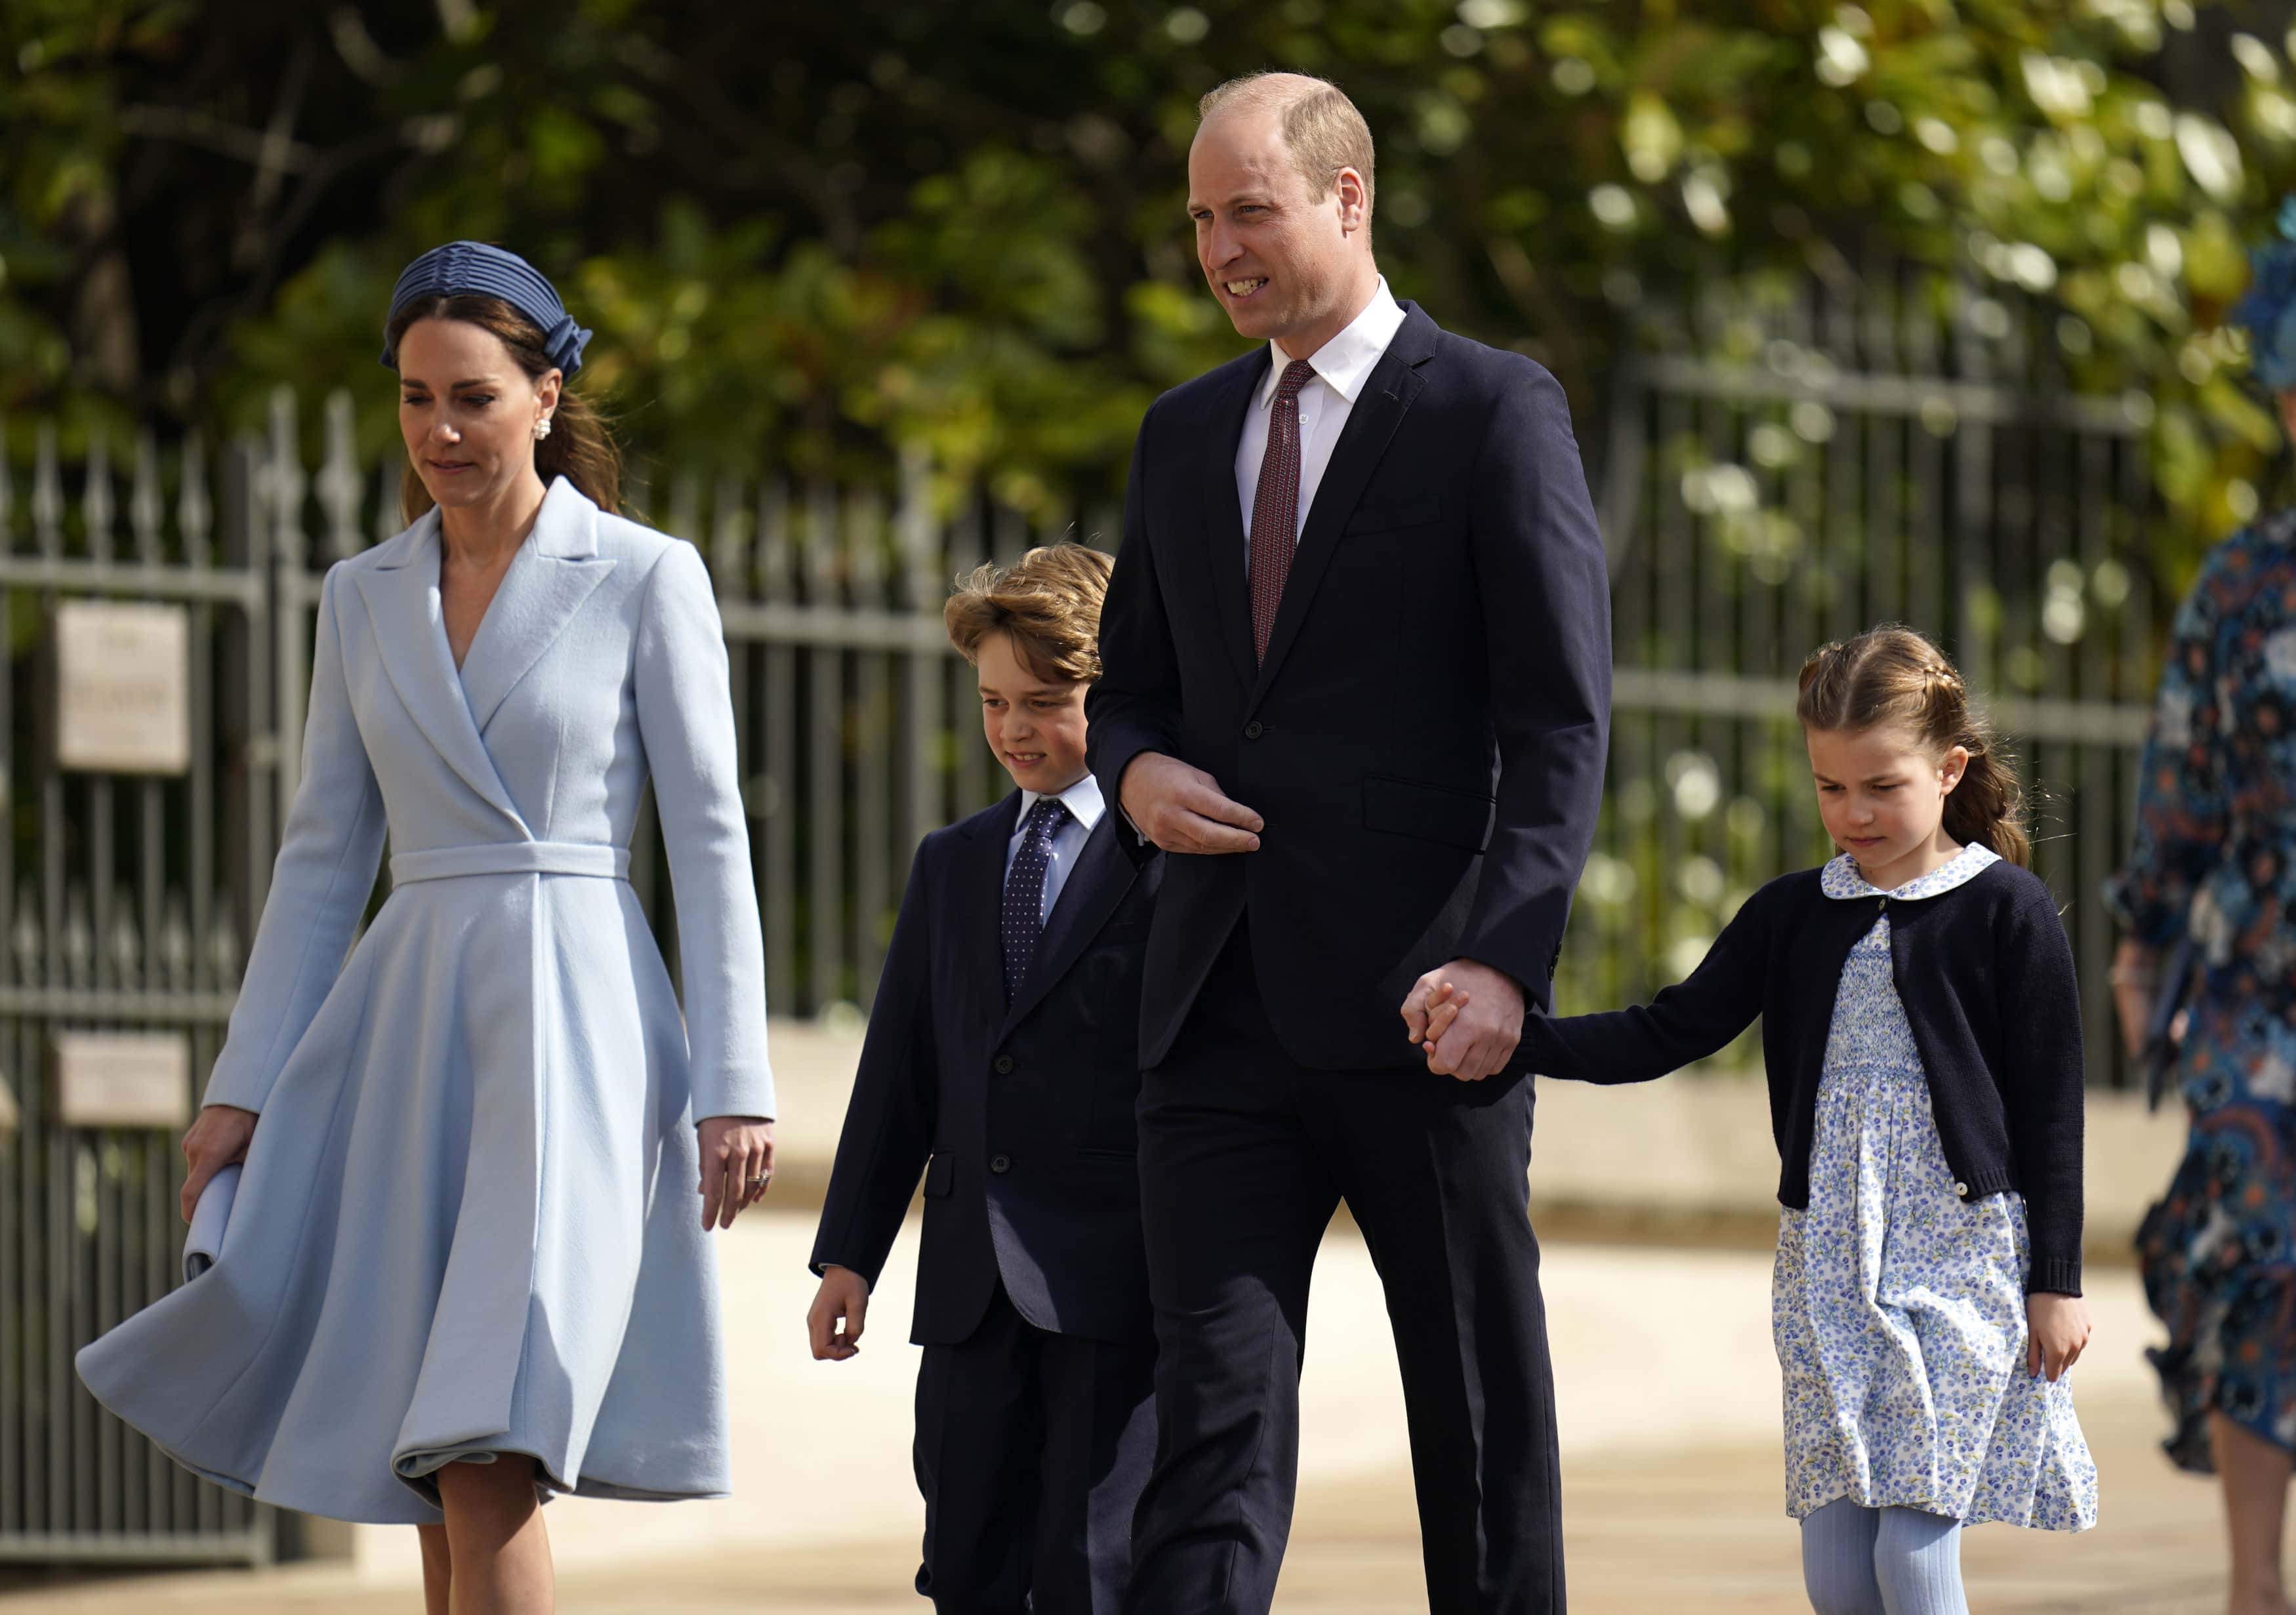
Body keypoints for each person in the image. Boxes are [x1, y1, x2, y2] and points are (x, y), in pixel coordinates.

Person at [76, 241, 774, 1615]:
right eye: (413, 399)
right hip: (401, 1033)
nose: (440, 431)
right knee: (431, 1450)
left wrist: (735, 1082)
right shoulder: (360, 594)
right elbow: (325, 860)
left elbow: (709, 838)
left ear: (547, 393)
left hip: (573, 1025)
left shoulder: (644, 575)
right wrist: (241, 1089)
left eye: (471, 396)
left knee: (485, 1435)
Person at [1087, 72, 1610, 1612]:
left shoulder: (1490, 407)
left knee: (1471, 1415)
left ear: (1346, 198)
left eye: (1248, 209)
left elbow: (1560, 723)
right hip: (1211, 1012)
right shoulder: (1183, 434)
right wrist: (1133, 777)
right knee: (1208, 1430)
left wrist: (1503, 961)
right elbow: (1130, 693)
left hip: (1422, 1011)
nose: (1219, 246)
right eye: (1200, 218)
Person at [1425, 626, 2097, 1614]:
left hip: (1959, 1263)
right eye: (1831, 788)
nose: (1854, 813)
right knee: (1836, 1579)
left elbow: (2053, 1108)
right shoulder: (1792, 912)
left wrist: (2057, 1283)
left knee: (1912, 1563)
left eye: (1882, 785)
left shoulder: (2010, 911)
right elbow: (1670, 1029)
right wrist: (1519, 1035)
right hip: (1826, 1267)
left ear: (1950, 769)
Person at [808, 543, 1161, 1615]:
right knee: (962, 1564)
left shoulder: (1166, 860)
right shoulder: (951, 863)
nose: (1014, 727)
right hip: (965, 1297)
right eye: (995, 701)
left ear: (1118, 693)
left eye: (1047, 702)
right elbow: (900, 1075)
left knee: (1089, 1571)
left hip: (1111, 1284)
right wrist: (848, 1256)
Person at [2108, 199, 2296, 1615]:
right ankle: (2251, 1589)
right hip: (2255, 983)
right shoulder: (2239, 586)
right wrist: (2140, 934)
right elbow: (2181, 783)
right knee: (2246, 1252)